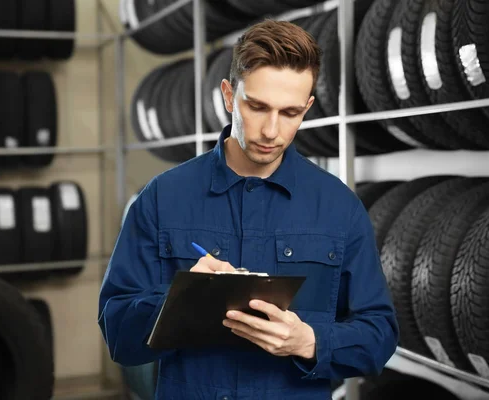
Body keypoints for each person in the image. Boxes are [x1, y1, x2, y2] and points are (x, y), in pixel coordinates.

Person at [98, 18, 399, 400]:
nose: (271, 131)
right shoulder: (161, 199)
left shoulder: (340, 208)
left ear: (307, 107)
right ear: (228, 95)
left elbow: (380, 336)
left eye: (290, 113)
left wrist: (309, 341)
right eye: (257, 107)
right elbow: (118, 334)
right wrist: (179, 300)